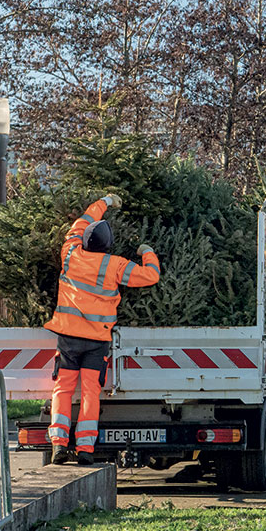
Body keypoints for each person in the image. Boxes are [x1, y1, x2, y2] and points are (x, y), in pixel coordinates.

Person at [44, 194, 161, 465]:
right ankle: (86, 449)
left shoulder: (70, 253)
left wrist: (105, 201)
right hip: (97, 342)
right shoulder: (115, 265)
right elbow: (151, 276)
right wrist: (147, 252)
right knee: (90, 392)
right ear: (108, 246)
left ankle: (59, 445)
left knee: (62, 389)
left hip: (69, 339)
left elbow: (82, 222)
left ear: (84, 240)